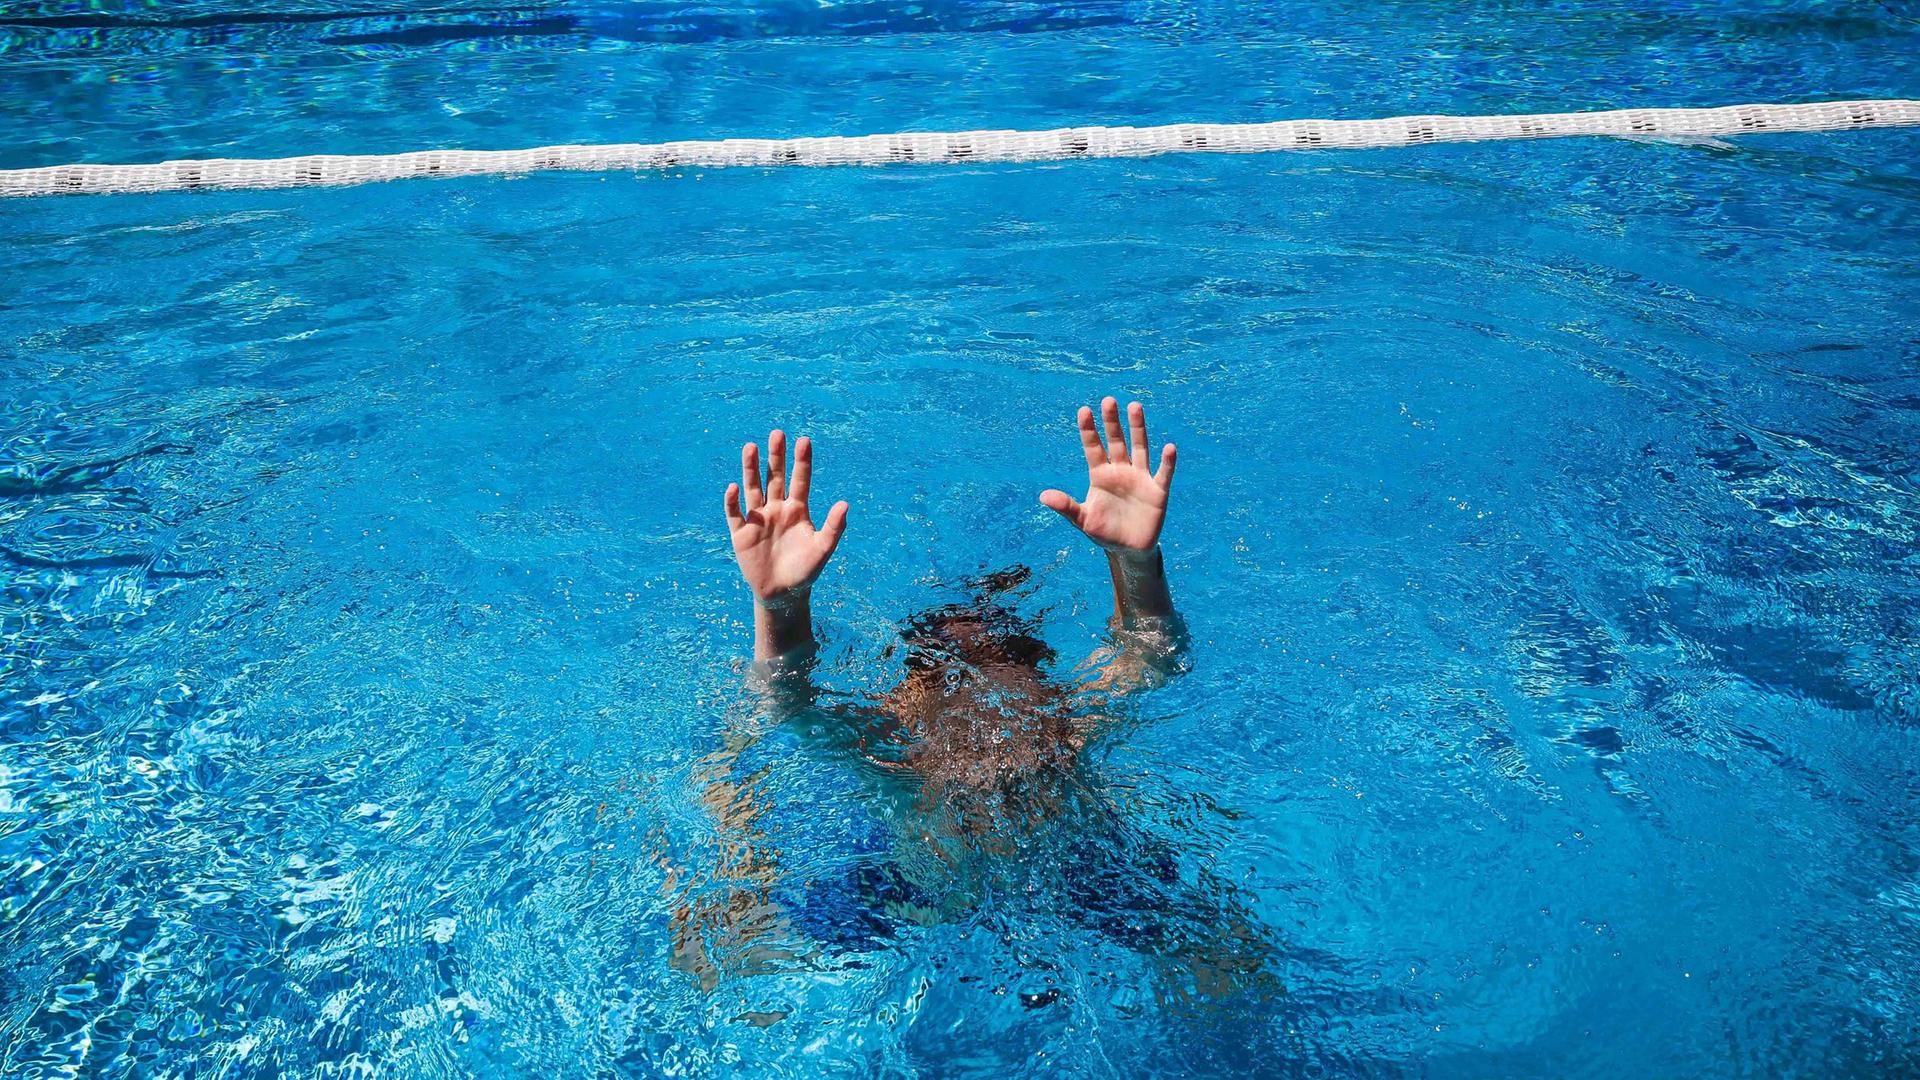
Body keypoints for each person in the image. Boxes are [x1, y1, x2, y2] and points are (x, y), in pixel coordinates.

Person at [672, 397, 1270, 1001]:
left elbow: (1149, 655)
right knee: (715, 953)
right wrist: (779, 605)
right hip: (919, 883)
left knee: (1238, 965)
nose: (973, 679)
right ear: (903, 696)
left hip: (1075, 869)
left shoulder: (1064, 723)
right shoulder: (894, 748)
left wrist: (1133, 560)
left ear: (1041, 674)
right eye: (940, 664)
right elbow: (787, 702)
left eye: (999, 654)